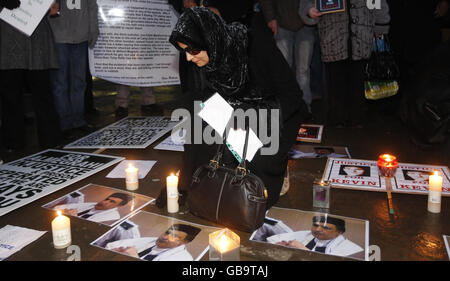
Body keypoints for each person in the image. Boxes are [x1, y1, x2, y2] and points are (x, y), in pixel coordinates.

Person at [169, 7, 310, 209]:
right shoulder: (205, 58)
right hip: (237, 116)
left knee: (253, 192)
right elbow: (199, 106)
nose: (189, 58)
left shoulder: (256, 46)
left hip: (274, 118)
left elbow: (292, 95)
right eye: (184, 51)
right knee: (196, 114)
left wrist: (255, 123)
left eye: (192, 50)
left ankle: (272, 166)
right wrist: (184, 187)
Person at [299, 0, 390, 128]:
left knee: (358, 80)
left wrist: (381, 24)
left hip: (361, 35)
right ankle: (337, 119)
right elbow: (306, 3)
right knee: (335, 81)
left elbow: (376, 2)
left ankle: (357, 118)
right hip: (332, 35)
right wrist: (309, 10)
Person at [0, 1, 62, 152]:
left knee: (42, 91)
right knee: (10, 93)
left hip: (36, 35)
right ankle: (13, 143)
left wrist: (54, 3)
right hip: (8, 32)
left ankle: (50, 141)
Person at [48, 0, 99, 138]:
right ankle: (65, 123)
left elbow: (92, 6)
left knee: (79, 82)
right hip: (59, 36)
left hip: (80, 36)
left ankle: (78, 120)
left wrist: (93, 29)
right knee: (60, 83)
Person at [260, 0, 317, 111]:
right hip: (282, 24)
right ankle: (286, 108)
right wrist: (270, 17)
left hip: (306, 24)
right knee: (284, 71)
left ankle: (304, 108)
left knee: (303, 70)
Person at [266, 215, 364, 257]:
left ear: (339, 232)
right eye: (315, 225)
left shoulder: (351, 249)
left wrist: (302, 249)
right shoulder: (307, 234)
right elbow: (273, 240)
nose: (317, 229)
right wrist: (280, 244)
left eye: (326, 228)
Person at [105, 223, 201, 261]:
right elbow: (110, 245)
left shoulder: (183, 259)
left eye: (174, 236)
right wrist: (115, 251)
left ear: (184, 242)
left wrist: (134, 258)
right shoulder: (151, 240)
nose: (165, 237)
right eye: (167, 232)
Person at [53, 192, 132, 223]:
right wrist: (64, 211)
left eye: (112, 202)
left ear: (118, 206)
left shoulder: (113, 216)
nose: (105, 202)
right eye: (107, 199)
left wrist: (73, 217)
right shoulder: (94, 204)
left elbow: (86, 225)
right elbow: (57, 207)